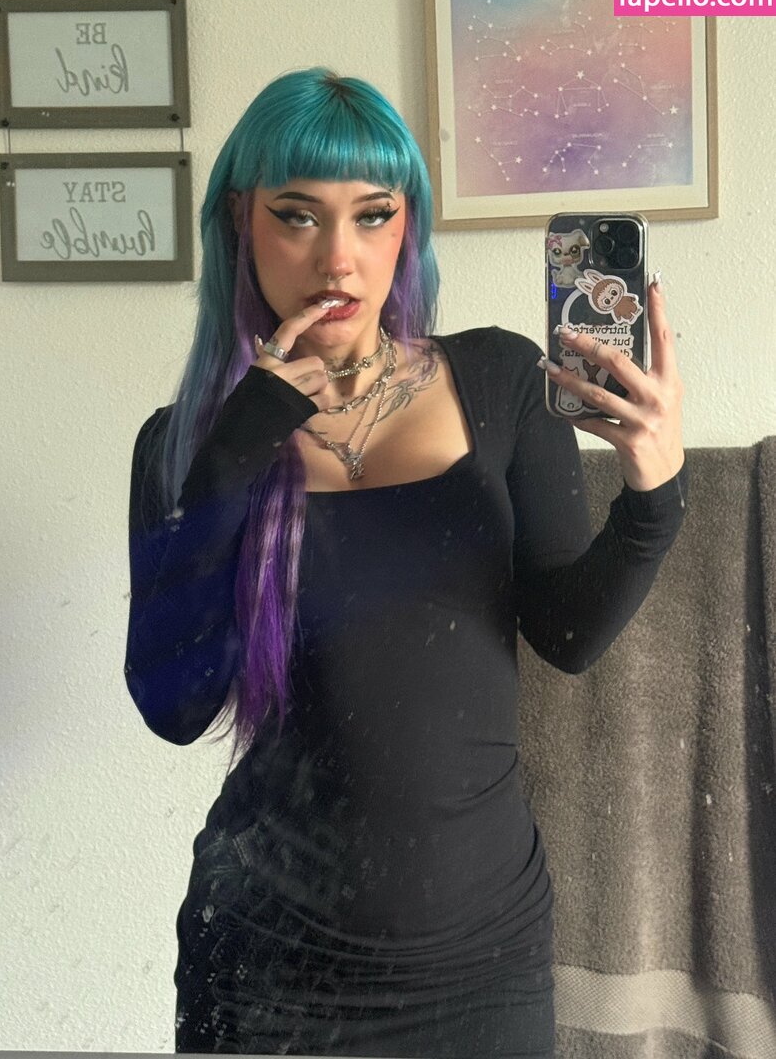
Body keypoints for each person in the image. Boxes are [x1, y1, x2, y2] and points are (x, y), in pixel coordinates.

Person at [124, 67, 687, 1058]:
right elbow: (175, 708)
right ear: (242, 223)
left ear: (406, 229)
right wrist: (237, 450)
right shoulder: (185, 444)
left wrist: (655, 490)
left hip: (482, 968)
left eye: (372, 215)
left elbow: (568, 635)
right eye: (298, 216)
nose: (336, 258)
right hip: (265, 970)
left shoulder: (500, 379)